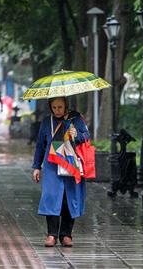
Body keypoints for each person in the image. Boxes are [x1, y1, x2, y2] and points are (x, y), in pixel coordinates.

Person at [32, 97, 90, 247]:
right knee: (51, 197)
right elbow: (40, 145)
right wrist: (36, 166)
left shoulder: (76, 119)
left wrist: (76, 134)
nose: (57, 110)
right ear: (50, 107)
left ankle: (66, 234)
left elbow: (86, 137)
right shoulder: (46, 122)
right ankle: (51, 234)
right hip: (51, 164)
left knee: (68, 198)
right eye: (54, 107)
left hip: (71, 163)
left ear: (66, 106)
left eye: (60, 107)